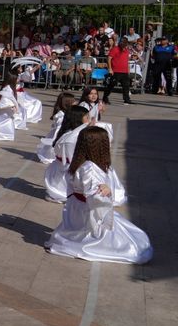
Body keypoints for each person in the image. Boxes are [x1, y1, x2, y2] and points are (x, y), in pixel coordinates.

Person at [45, 126, 151, 264]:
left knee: (132, 234)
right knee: (134, 246)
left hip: (78, 207)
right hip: (90, 213)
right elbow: (94, 195)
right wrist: (106, 191)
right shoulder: (90, 168)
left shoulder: (81, 163)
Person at [36, 92, 79, 164]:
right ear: (68, 103)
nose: (76, 102)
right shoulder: (61, 117)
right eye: (74, 101)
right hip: (60, 136)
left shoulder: (65, 114)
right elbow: (58, 130)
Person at [100, 36, 134, 105]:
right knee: (111, 85)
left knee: (126, 86)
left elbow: (126, 61)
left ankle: (126, 99)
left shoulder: (126, 51)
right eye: (122, 42)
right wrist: (110, 69)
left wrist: (128, 70)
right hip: (116, 71)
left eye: (124, 42)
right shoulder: (115, 49)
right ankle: (105, 98)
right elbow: (109, 58)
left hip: (124, 71)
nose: (122, 43)